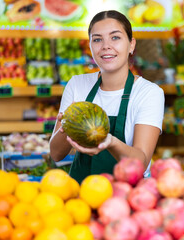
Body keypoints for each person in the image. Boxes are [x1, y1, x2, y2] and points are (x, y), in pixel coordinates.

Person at [49, 10, 165, 183]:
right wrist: (66, 126)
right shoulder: (77, 84)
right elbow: (56, 154)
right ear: (90, 46)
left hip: (127, 198)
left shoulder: (149, 92)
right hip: (82, 195)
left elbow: (141, 162)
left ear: (131, 45)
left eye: (115, 37)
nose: (105, 46)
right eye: (97, 39)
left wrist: (110, 142)